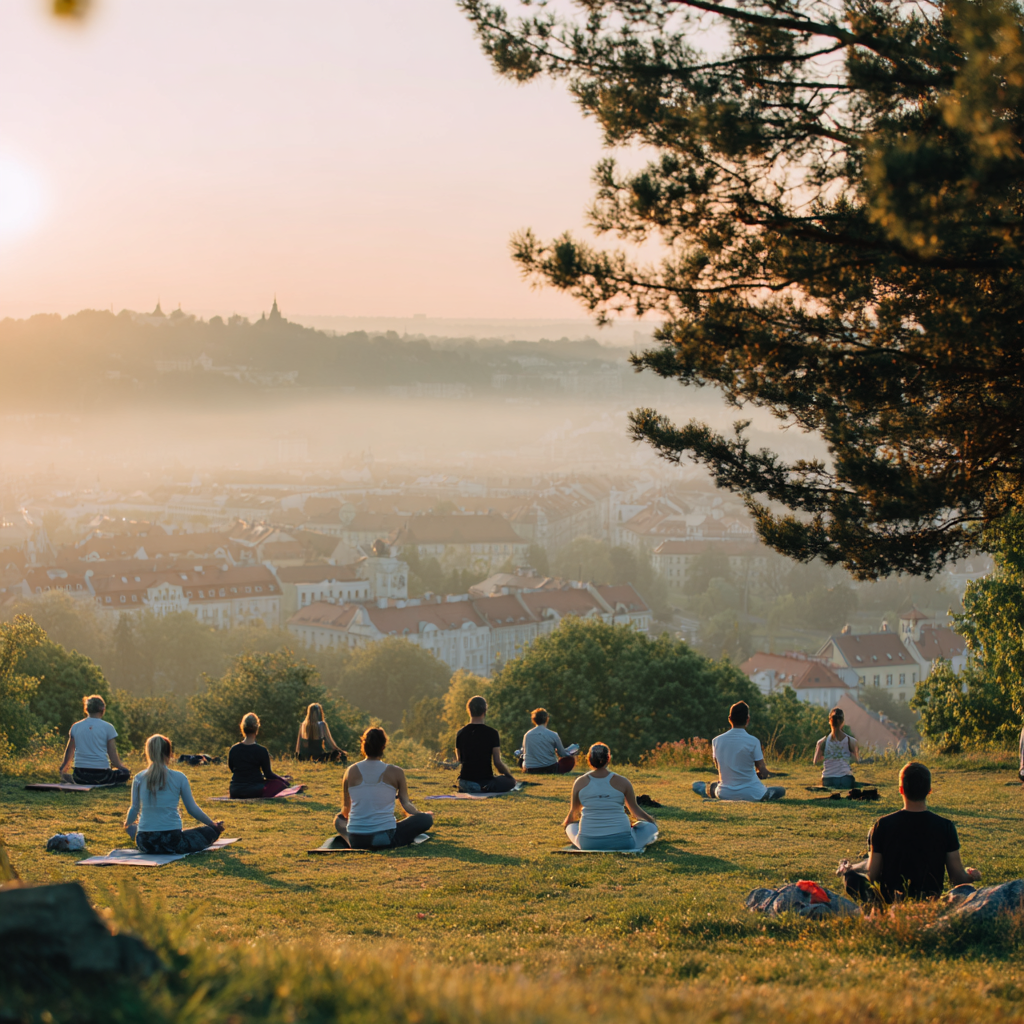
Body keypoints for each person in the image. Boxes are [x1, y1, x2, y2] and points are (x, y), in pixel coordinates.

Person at [837, 761, 981, 905]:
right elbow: (957, 878)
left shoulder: (882, 825)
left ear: (901, 790)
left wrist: (851, 871)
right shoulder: (945, 826)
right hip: (929, 903)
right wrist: (972, 876)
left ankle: (875, 906)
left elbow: (873, 876)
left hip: (891, 902)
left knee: (850, 877)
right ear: (929, 790)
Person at [333, 727, 433, 849]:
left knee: (339, 820)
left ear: (363, 746)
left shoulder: (350, 771)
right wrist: (422, 815)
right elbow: (406, 804)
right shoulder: (396, 772)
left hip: (355, 839)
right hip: (382, 838)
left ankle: (355, 839)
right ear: (383, 747)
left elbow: (345, 810)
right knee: (426, 819)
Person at [124, 734, 225, 854]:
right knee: (208, 832)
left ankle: (136, 830)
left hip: (145, 843)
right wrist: (212, 825)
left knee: (136, 828)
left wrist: (127, 824)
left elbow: (134, 808)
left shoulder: (139, 778)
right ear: (169, 754)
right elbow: (192, 809)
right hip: (173, 842)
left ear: (148, 753)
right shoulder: (179, 777)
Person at [562, 742, 659, 851]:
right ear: (608, 759)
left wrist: (566, 824)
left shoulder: (580, 782)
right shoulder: (623, 781)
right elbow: (635, 811)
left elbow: (574, 812)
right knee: (650, 827)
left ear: (589, 759)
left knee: (571, 827)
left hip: (587, 843)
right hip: (623, 842)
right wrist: (651, 821)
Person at [692, 701, 785, 801]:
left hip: (725, 793)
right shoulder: (753, 741)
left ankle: (709, 793)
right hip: (753, 794)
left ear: (729, 719)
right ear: (747, 720)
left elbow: (719, 767)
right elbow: (763, 772)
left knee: (715, 785)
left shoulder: (716, 741)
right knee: (780, 790)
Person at [59, 694, 130, 786]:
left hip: (80, 775)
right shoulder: (108, 727)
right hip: (102, 775)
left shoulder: (75, 726)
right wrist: (123, 769)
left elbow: (70, 751)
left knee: (77, 777)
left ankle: (75, 780)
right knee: (125, 774)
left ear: (86, 709)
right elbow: (113, 757)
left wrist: (63, 768)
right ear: (103, 709)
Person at [453, 695, 517, 793]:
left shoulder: (460, 733)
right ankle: (484, 787)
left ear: (469, 710)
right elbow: (497, 763)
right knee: (510, 781)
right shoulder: (492, 733)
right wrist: (508, 774)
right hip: (483, 782)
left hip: (464, 782)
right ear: (484, 711)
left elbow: (460, 759)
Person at [228, 712, 291, 799]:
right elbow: (268, 774)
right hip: (254, 790)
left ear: (242, 728)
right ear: (257, 728)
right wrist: (282, 780)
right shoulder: (261, 750)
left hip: (235, 791)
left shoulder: (234, 749)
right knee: (278, 784)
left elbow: (232, 768)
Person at [813, 707, 861, 788]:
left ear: (829, 721)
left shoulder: (822, 742)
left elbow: (816, 762)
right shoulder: (852, 741)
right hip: (845, 779)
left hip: (827, 779)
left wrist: (829, 756)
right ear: (842, 722)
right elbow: (856, 760)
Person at [520, 708, 577, 774]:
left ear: (533, 720)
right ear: (547, 719)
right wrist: (571, 752)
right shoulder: (553, 734)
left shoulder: (527, 735)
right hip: (549, 768)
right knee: (570, 759)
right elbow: (562, 754)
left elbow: (525, 752)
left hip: (530, 769)